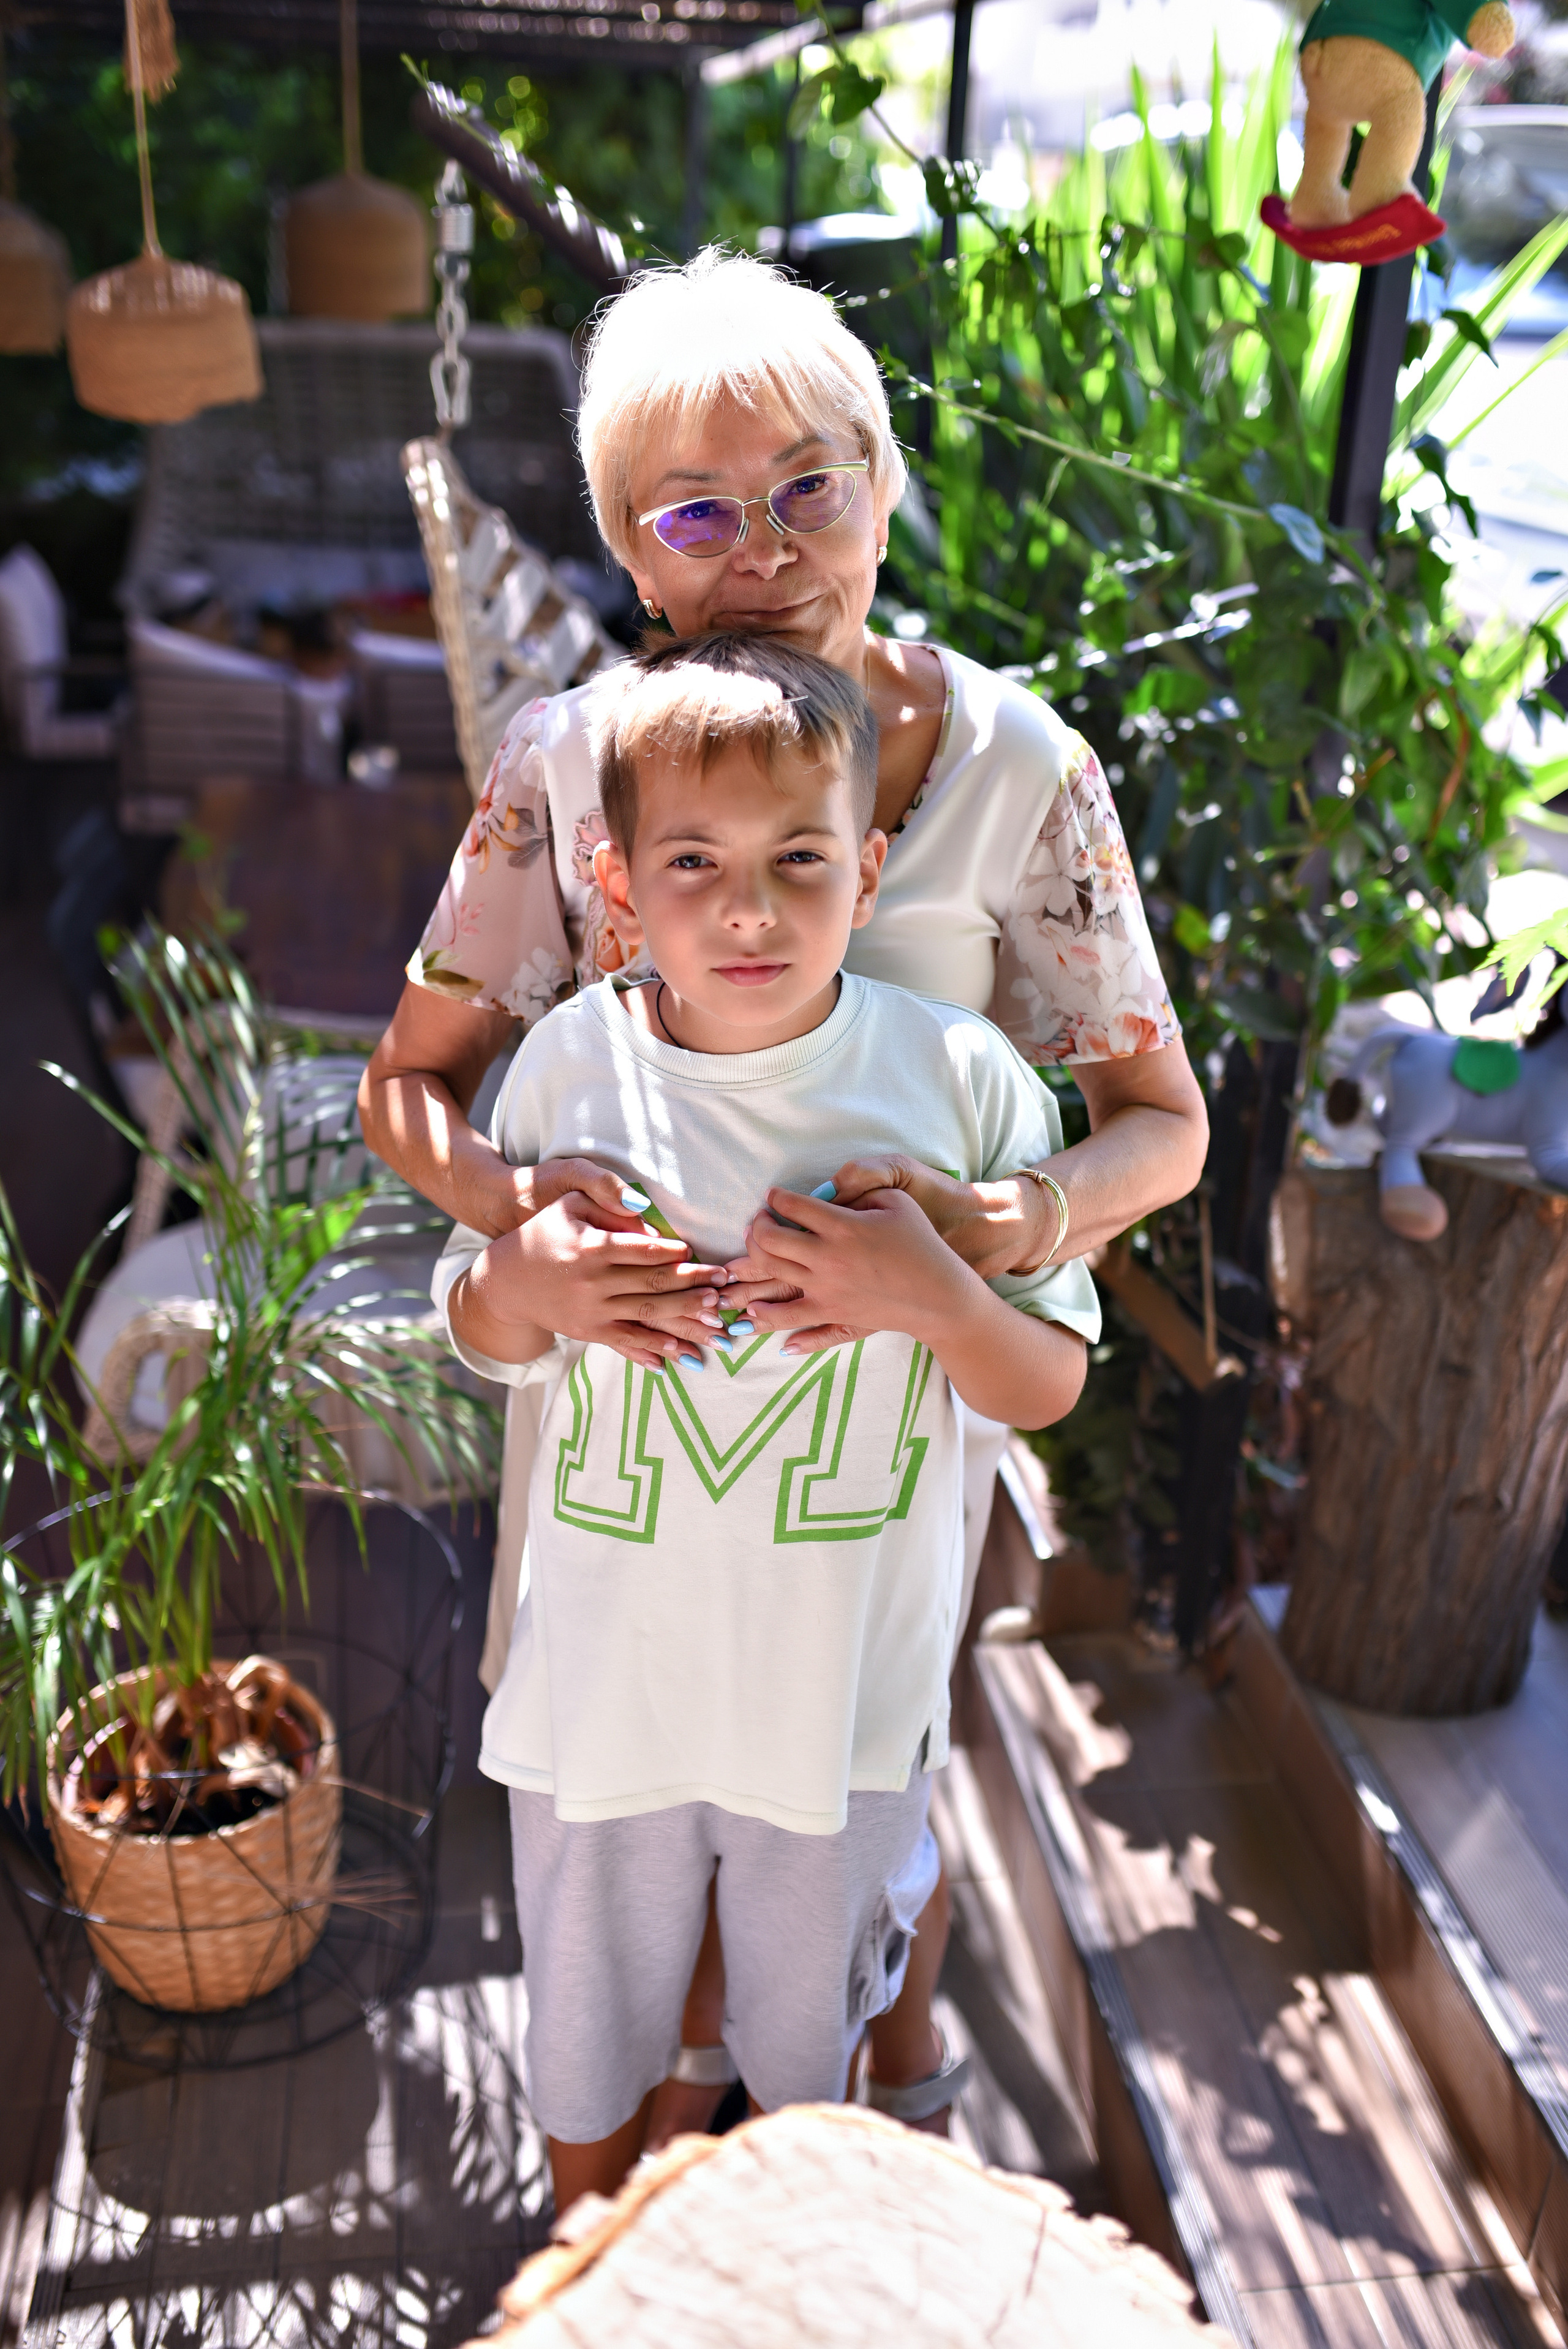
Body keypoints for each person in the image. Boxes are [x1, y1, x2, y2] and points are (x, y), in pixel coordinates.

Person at [358, 246, 1208, 2135]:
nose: (765, 545)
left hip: (886, 1451)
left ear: (888, 485)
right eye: (697, 510)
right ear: (637, 561)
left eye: (812, 484)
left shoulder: (1016, 771)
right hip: (643, 1465)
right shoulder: (578, 769)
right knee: (648, 1871)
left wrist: (1015, 1229)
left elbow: (1164, 1117)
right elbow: (406, 1087)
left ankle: (852, 2132)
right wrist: (520, 1218)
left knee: (849, 1832)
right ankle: (665, 2184)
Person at [433, 634, 1100, 2215]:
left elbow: (1048, 1380)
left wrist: (936, 1293)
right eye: (695, 862)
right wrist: (526, 1273)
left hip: (841, 1723)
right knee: (587, 2075)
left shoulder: (957, 1080)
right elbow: (478, 1329)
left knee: (807, 2088)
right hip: (600, 1705)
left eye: (799, 860)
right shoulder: (570, 1062)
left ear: (867, 871)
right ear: (618, 877)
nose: (748, 907)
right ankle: (582, 2294)